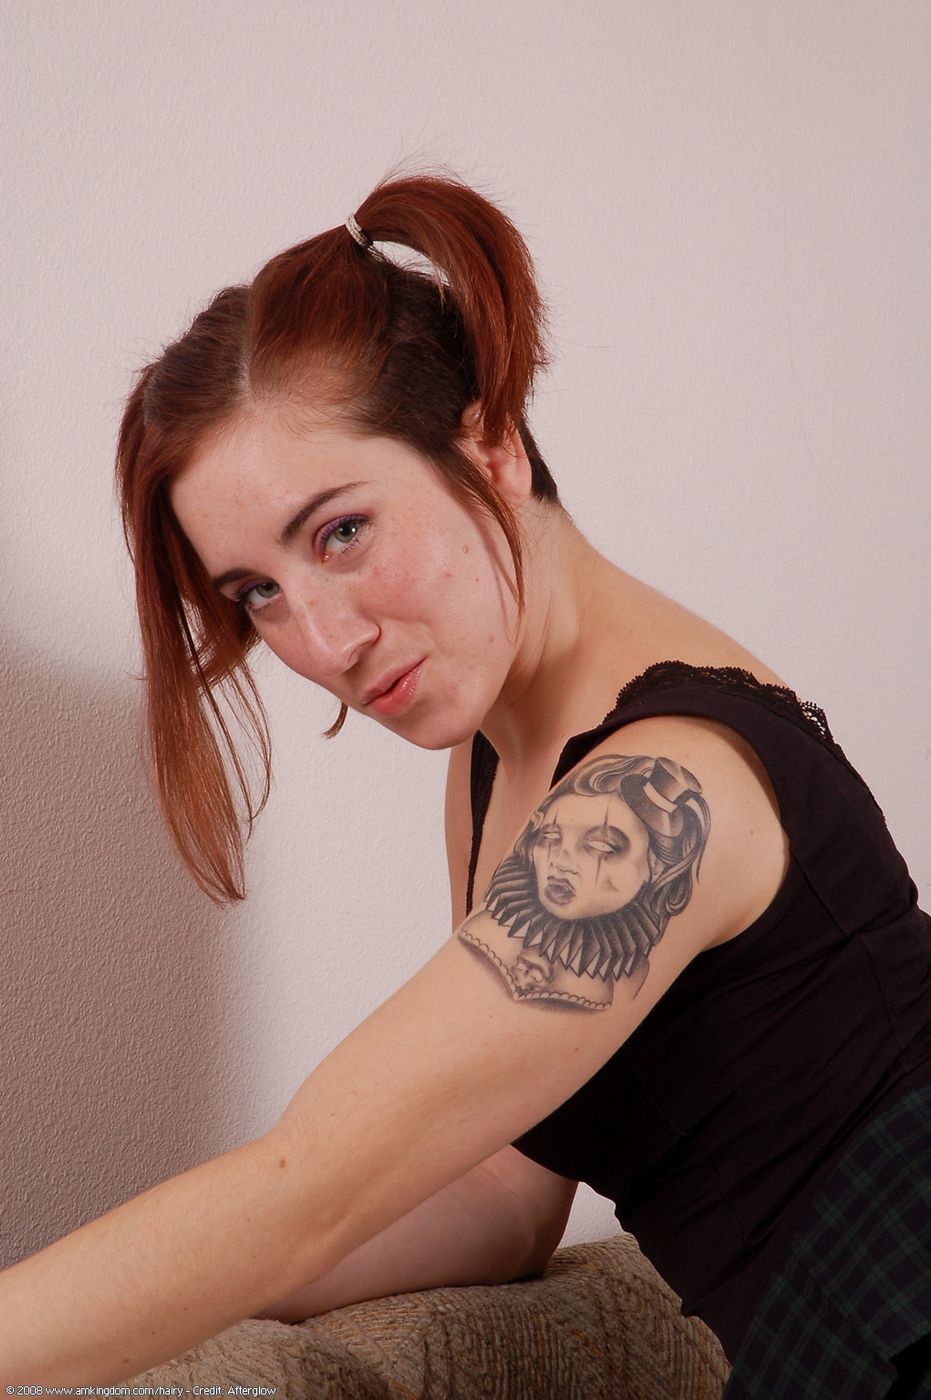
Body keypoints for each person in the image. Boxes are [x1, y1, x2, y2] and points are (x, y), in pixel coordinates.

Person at [1, 172, 929, 1395]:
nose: (322, 640)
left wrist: (264, 1235)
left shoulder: (657, 793)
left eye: (340, 531)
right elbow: (503, 1189)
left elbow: (309, 1186)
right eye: (257, 591)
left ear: (490, 447)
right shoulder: (497, 756)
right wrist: (213, 1287)